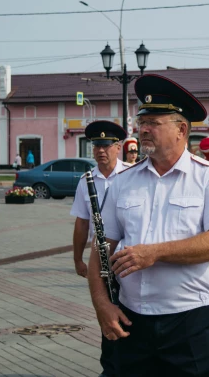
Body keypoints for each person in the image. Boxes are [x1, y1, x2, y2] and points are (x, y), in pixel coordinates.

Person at [87, 74, 209, 377]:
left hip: (189, 321)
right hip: (132, 320)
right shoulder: (123, 182)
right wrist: (102, 306)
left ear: (181, 129)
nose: (143, 129)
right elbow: (101, 249)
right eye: (142, 122)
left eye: (154, 123)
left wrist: (154, 253)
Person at [70, 120, 128, 377]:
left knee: (128, 309)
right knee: (104, 309)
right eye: (96, 146)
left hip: (126, 254)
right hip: (100, 257)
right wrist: (78, 259)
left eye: (106, 145)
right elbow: (82, 224)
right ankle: (112, 366)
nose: (100, 151)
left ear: (118, 147)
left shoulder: (131, 174)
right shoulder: (86, 180)